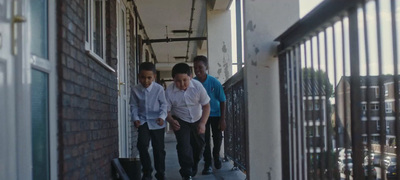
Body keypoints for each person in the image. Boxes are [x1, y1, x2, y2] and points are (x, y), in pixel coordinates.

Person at [165, 63, 210, 180]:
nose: (182, 84)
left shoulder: (198, 87)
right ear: (173, 79)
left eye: (185, 80)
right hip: (180, 120)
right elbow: (166, 111)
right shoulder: (169, 91)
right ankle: (186, 173)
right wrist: (170, 120)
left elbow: (206, 106)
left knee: (199, 145)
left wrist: (203, 123)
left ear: (190, 76)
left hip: (197, 118)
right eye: (178, 81)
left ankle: (193, 165)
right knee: (184, 146)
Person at [130, 62, 168, 180]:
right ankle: (147, 172)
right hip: (143, 121)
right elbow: (134, 105)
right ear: (138, 76)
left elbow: (164, 105)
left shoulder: (159, 89)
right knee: (141, 145)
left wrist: (162, 117)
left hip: (157, 122)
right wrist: (135, 118)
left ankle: (160, 173)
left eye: (149, 78)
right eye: (142, 77)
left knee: (158, 148)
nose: (145, 80)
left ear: (154, 77)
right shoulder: (135, 89)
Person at [193, 55, 226, 175]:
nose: (197, 70)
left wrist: (222, 119)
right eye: (195, 67)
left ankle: (216, 155)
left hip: (216, 114)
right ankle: (207, 164)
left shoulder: (214, 82)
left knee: (217, 138)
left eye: (200, 67)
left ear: (206, 67)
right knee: (204, 140)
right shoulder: (193, 83)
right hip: (201, 116)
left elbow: (222, 100)